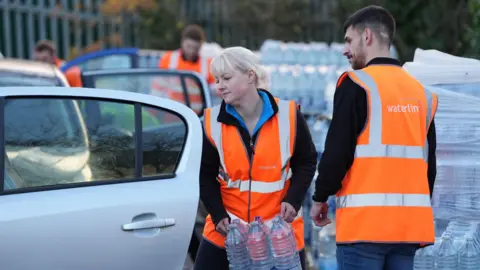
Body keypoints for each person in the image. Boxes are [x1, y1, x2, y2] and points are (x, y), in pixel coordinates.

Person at [309, 5, 438, 270]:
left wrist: (320, 197)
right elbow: (429, 167)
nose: (345, 49)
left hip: (364, 228)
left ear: (367, 36)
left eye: (348, 40)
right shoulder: (422, 94)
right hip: (409, 230)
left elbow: (337, 153)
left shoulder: (356, 84)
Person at [195, 46, 318, 270]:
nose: (219, 85)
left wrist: (293, 199)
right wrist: (218, 214)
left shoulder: (289, 116)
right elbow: (204, 175)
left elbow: (307, 161)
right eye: (216, 79)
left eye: (226, 78)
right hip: (227, 231)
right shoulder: (212, 122)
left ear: (250, 76)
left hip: (279, 234)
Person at [156, 24, 220, 110]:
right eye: (189, 46)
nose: (192, 51)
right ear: (182, 42)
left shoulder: (207, 64)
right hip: (172, 114)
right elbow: (157, 89)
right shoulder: (168, 59)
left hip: (198, 117)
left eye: (196, 48)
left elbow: (215, 89)